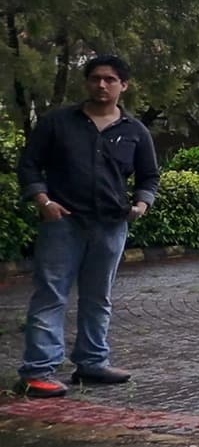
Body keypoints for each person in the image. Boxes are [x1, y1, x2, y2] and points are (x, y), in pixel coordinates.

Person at [14, 55, 159, 398]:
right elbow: (30, 166)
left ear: (124, 85)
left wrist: (141, 203)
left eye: (110, 79)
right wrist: (43, 202)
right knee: (51, 295)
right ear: (87, 83)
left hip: (111, 224)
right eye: (95, 78)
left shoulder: (135, 131)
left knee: (98, 297)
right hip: (63, 222)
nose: (102, 85)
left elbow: (150, 176)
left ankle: (92, 363)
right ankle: (37, 372)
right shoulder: (58, 123)